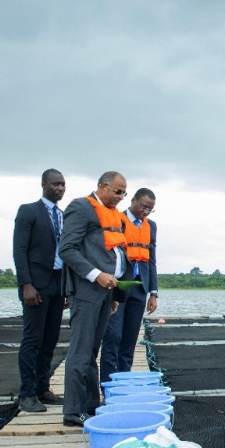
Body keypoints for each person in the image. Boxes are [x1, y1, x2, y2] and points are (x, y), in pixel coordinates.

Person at [58, 171, 132, 427]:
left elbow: (116, 254)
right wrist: (96, 275)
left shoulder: (115, 215)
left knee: (92, 350)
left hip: (106, 293)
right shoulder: (81, 207)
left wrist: (114, 294)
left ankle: (90, 405)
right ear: (102, 187)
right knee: (80, 350)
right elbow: (67, 249)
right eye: (118, 191)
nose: (121, 197)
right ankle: (73, 410)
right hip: (87, 290)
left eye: (124, 192)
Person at [12, 169, 68, 413]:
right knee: (33, 339)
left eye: (63, 185)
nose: (60, 188)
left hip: (58, 282)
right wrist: (26, 284)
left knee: (50, 340)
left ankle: (43, 387)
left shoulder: (63, 215)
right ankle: (27, 394)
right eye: (56, 184)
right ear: (43, 184)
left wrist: (65, 288)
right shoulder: (29, 211)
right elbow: (19, 249)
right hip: (36, 284)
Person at [100, 188, 159, 383]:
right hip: (119, 286)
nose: (146, 212)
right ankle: (107, 384)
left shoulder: (151, 226)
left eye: (150, 209)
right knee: (113, 335)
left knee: (130, 338)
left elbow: (151, 260)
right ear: (133, 200)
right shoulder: (116, 219)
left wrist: (153, 292)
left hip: (140, 288)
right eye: (143, 206)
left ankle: (124, 381)